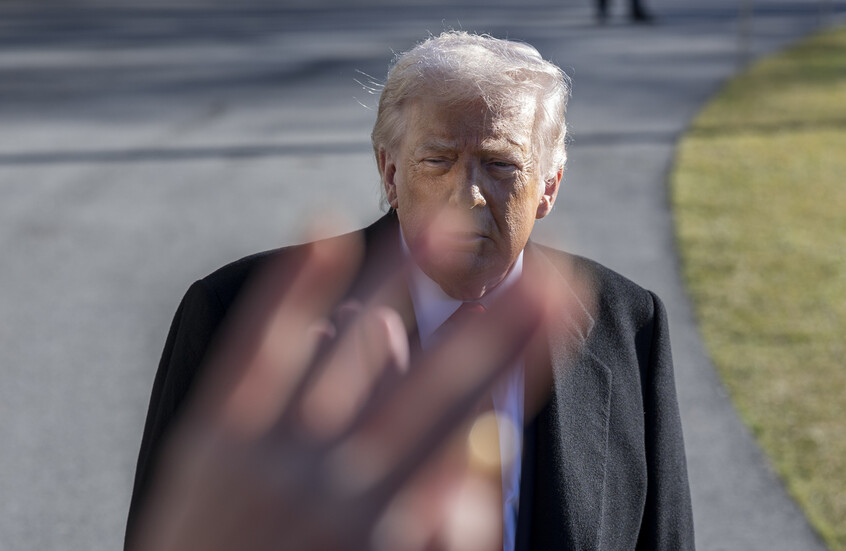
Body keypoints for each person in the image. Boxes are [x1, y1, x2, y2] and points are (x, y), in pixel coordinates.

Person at [125, 31, 694, 551]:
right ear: (390, 173)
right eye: (438, 161)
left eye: (500, 165)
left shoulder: (628, 323)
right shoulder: (235, 316)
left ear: (549, 186)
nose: (468, 195)